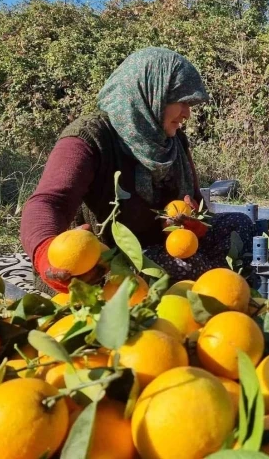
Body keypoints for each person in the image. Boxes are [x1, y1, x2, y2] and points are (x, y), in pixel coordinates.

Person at [20, 47, 255, 294]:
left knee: (238, 223)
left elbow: (198, 205)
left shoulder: (172, 142)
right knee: (185, 267)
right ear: (152, 93)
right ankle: (216, 286)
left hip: (167, 246)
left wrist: (194, 223)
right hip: (107, 261)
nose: (187, 114)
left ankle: (218, 284)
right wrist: (46, 254)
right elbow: (49, 202)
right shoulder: (91, 138)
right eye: (182, 102)